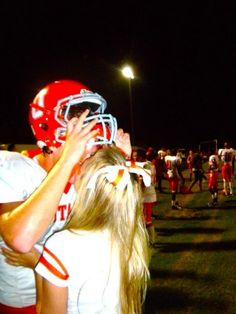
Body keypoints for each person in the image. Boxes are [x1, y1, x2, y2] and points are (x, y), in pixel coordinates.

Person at [0, 79, 131, 313]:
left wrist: (121, 161)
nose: (89, 126)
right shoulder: (13, 166)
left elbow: (121, 225)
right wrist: (68, 158)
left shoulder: (82, 173)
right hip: (25, 301)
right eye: (77, 119)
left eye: (89, 118)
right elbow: (20, 239)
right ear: (46, 125)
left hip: (71, 289)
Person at [5, 147, 151, 314]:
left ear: (87, 188)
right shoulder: (129, 237)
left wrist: (40, 264)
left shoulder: (61, 245)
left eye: (79, 171)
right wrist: (119, 156)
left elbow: (46, 310)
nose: (73, 174)